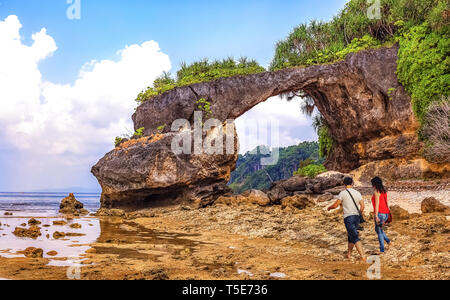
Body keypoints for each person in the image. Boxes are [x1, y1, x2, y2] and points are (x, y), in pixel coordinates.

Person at [328, 177, 366, 263]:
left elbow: (335, 205)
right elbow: (363, 206)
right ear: (352, 183)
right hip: (356, 217)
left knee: (355, 236)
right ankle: (349, 254)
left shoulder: (343, 193)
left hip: (348, 217)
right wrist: (358, 213)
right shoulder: (357, 193)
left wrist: (329, 208)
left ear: (344, 184)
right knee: (351, 235)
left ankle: (363, 256)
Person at [371, 176, 391, 254]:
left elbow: (377, 205)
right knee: (378, 229)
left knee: (379, 232)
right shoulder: (384, 191)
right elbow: (386, 202)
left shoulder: (376, 192)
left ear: (374, 184)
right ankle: (389, 242)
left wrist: (376, 215)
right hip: (385, 213)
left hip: (380, 214)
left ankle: (382, 250)